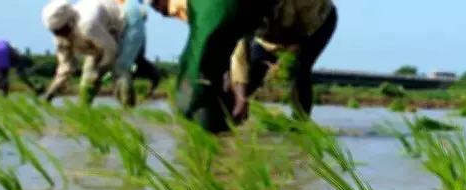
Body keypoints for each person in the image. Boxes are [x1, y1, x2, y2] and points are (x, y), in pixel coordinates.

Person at [147, 0, 337, 134]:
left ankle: (300, 126)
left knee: (299, 70)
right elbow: (238, 46)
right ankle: (226, 128)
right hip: (270, 35)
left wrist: (295, 46)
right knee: (244, 82)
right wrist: (240, 96)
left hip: (314, 23)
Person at [41, 0, 147, 106]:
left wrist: (99, 71)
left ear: (69, 22)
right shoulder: (60, 37)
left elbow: (111, 50)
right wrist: (49, 94)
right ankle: (83, 112)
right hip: (101, 37)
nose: (61, 35)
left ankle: (129, 111)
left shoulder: (88, 24)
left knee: (119, 69)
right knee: (87, 77)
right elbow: (66, 68)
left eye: (62, 30)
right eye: (56, 32)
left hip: (126, 24)